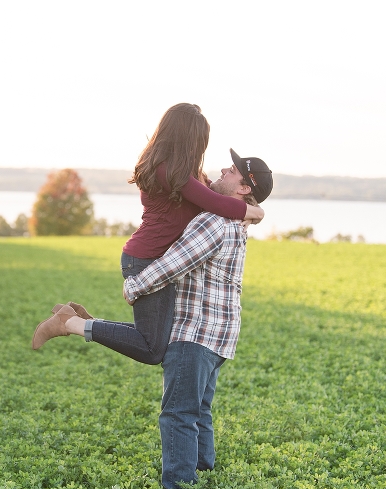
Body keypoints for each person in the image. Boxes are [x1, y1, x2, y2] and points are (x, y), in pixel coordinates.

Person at [31, 103, 264, 361]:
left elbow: (221, 200)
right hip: (145, 258)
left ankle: (79, 322)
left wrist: (250, 212)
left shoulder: (191, 174)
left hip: (158, 258)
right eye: (200, 140)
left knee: (155, 339)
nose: (201, 147)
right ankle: (69, 323)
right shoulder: (167, 170)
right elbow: (217, 203)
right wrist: (257, 213)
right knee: (152, 349)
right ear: (187, 138)